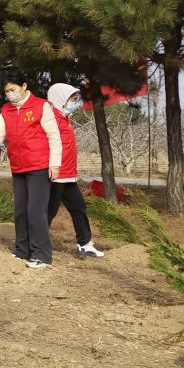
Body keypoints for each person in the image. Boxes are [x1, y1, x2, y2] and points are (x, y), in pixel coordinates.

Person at [0, 70, 62, 269]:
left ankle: (42, 254)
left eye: (13, 89)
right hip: (18, 166)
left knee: (35, 210)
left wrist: (55, 163)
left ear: (24, 86)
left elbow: (54, 137)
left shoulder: (41, 106)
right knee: (21, 210)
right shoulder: (6, 110)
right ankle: (22, 249)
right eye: (6, 91)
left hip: (40, 166)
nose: (10, 94)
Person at [45, 83, 105, 258]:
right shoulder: (51, 118)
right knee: (48, 211)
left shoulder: (64, 117)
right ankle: (33, 246)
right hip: (55, 175)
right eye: (71, 99)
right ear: (60, 98)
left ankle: (85, 244)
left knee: (79, 207)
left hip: (68, 175)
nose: (74, 102)